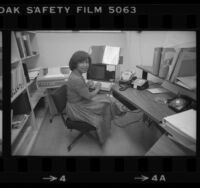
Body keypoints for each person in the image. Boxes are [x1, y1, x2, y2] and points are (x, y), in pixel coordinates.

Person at [66, 51, 124, 145]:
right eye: (82, 62)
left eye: (87, 62)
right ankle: (116, 114)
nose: (86, 65)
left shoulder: (76, 73)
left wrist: (87, 85)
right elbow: (88, 96)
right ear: (75, 63)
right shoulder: (76, 78)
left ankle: (114, 115)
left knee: (106, 100)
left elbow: (79, 90)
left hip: (79, 102)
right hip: (76, 108)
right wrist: (97, 88)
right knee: (106, 103)